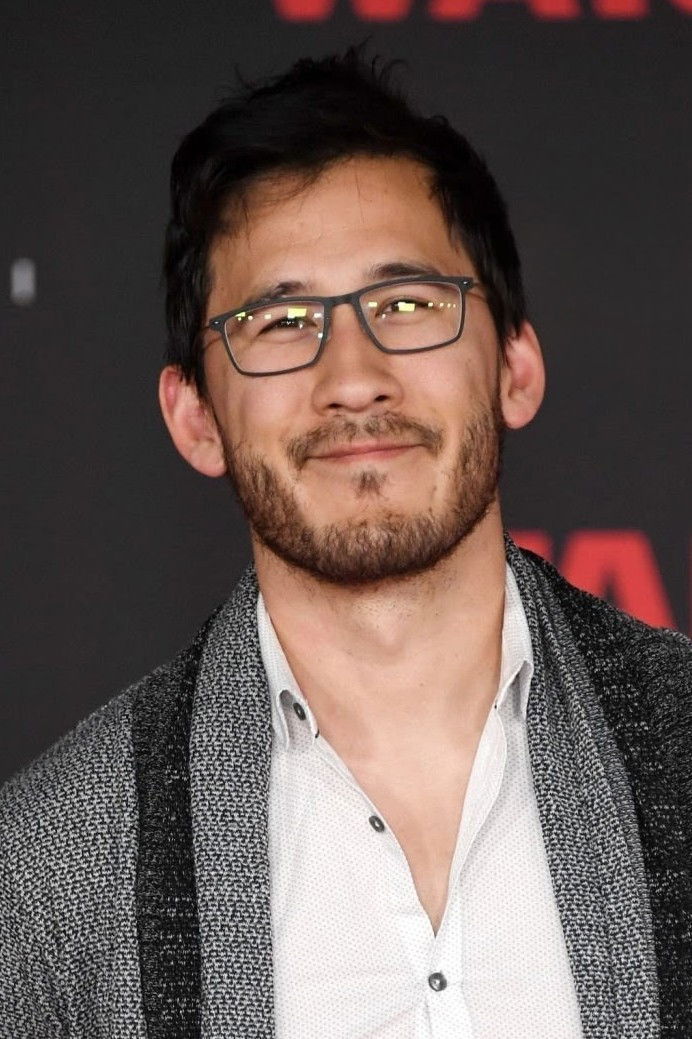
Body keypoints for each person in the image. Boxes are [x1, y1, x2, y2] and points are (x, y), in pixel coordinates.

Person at [0, 49, 689, 1039]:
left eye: (406, 305)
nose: (354, 377)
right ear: (195, 418)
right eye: (280, 322)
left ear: (514, 367)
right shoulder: (47, 875)